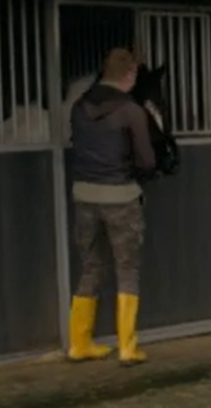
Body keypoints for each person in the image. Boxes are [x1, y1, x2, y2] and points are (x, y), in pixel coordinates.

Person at [66, 47, 158, 366]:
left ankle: (79, 343)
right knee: (127, 268)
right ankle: (128, 347)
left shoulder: (79, 107)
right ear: (130, 74)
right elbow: (147, 161)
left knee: (91, 266)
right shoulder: (131, 111)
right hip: (120, 197)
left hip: (84, 197)